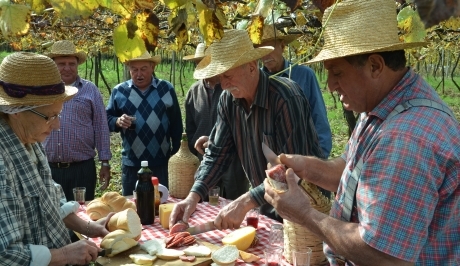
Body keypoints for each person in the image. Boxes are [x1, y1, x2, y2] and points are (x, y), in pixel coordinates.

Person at [263, 0, 460, 265]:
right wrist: (308, 168)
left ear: (375, 66)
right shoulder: (381, 107)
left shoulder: (405, 139)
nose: (330, 86)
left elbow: (382, 255)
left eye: (337, 72)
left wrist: (305, 215)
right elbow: (355, 175)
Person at [170, 29, 324, 229]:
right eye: (220, 78)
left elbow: (292, 170)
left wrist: (245, 201)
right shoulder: (228, 101)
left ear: (252, 67)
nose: (224, 85)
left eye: (228, 76)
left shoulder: (285, 97)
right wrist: (194, 196)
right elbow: (217, 154)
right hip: (267, 204)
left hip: (306, 207)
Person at [0, 52, 113, 265]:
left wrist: (89, 228)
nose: (57, 125)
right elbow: (4, 254)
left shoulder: (30, 141)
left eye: (58, 115)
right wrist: (63, 255)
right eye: (50, 116)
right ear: (16, 111)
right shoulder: (2, 162)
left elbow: (48, 198)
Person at [43, 40, 112, 201]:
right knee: (53, 217)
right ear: (53, 65)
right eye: (61, 64)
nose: (67, 68)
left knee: (82, 217)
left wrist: (105, 162)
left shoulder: (90, 90)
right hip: (48, 169)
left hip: (81, 168)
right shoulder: (42, 91)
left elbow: (101, 126)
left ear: (77, 65)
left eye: (71, 64)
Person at [106, 51, 183, 195]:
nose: (139, 74)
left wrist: (176, 153)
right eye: (134, 69)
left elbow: (176, 125)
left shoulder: (166, 89)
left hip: (160, 162)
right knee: (132, 205)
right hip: (132, 163)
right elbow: (107, 118)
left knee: (160, 203)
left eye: (143, 69)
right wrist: (117, 121)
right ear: (129, 69)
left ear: (152, 67)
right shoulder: (119, 91)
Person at [184, 43, 249, 200]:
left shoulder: (232, 89)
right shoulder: (194, 91)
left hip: (234, 161)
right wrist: (197, 155)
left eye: (207, 62)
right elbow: (191, 128)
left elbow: (245, 125)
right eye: (199, 63)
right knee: (207, 203)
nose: (203, 67)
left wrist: (219, 142)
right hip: (205, 160)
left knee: (234, 201)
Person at [258, 24, 332, 158]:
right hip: (273, 161)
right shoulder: (258, 83)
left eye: (270, 48)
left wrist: (320, 157)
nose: (266, 55)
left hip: (306, 156)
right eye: (261, 50)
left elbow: (318, 116)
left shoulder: (304, 75)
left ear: (282, 46)